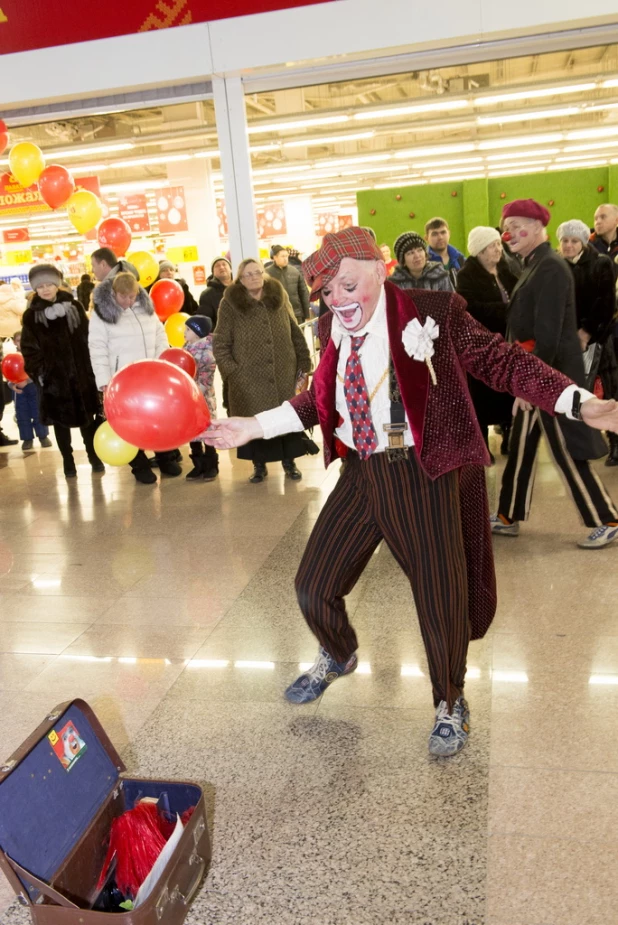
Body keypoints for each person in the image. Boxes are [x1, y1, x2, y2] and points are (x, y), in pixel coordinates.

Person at [205, 226, 618, 756]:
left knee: (439, 593)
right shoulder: (331, 325)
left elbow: (502, 362)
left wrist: (576, 401)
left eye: (348, 284)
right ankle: (339, 653)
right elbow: (318, 400)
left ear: (378, 268)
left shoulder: (434, 312)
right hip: (361, 471)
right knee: (313, 582)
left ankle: (450, 700)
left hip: (422, 471)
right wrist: (250, 427)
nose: (339, 300)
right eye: (328, 292)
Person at [492, 199, 618, 549]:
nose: (509, 231)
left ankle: (606, 518)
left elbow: (547, 334)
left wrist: (529, 386)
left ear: (536, 227)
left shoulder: (549, 267)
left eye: (517, 224)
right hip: (541, 376)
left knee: (566, 450)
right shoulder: (535, 264)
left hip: (553, 380)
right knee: (520, 445)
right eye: (506, 224)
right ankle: (508, 514)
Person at [212, 259, 312, 483]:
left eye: (258, 272)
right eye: (248, 274)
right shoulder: (230, 303)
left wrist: (304, 361)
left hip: (283, 371)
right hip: (247, 378)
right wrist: (232, 371)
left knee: (285, 415)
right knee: (253, 418)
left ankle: (290, 462)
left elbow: (294, 329)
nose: (254, 277)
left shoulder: (278, 295)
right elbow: (220, 342)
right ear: (240, 278)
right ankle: (259, 466)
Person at [89, 271, 182, 483]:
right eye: (124, 297)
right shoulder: (102, 314)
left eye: (132, 296)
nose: (128, 301)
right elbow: (97, 348)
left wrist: (161, 362)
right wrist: (104, 381)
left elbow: (160, 334)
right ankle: (139, 465)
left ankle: (165, 457)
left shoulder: (146, 308)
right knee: (130, 422)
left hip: (151, 375)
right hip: (123, 379)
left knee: (158, 418)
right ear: (114, 293)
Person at [20, 264, 104, 478]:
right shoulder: (31, 316)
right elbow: (29, 349)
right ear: (35, 289)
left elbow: (87, 339)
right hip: (53, 381)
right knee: (60, 424)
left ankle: (94, 456)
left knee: (88, 420)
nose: (45, 289)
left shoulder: (74, 307)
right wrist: (41, 374)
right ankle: (68, 461)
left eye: (49, 284)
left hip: (81, 375)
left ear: (57, 285)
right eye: (40, 286)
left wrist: (92, 370)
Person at [557, 219, 618, 467]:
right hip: (567, 343)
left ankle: (615, 443)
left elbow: (606, 304)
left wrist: (586, 333)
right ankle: (579, 444)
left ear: (583, 242)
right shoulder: (557, 267)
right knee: (574, 394)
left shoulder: (600, 264)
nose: (569, 245)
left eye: (574, 241)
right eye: (565, 241)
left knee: (609, 392)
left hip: (599, 341)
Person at [456, 226, 519, 460]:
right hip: (482, 343)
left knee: (508, 390)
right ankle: (481, 444)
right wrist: (506, 309)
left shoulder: (505, 269)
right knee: (482, 395)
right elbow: (470, 307)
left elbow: (519, 293)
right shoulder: (467, 275)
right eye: (493, 246)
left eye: (498, 245)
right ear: (481, 251)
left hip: (508, 340)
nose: (498, 249)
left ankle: (509, 438)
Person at [183, 314, 219, 482]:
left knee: (207, 429)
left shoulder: (207, 353)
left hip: (203, 399)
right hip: (188, 398)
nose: (184, 332)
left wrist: (194, 391)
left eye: (188, 329)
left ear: (197, 333)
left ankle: (211, 464)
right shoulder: (186, 347)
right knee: (191, 431)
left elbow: (206, 377)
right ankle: (197, 464)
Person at [7, 329, 52, 451]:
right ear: (14, 342)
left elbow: (39, 371)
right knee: (22, 415)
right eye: (18, 340)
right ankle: (27, 439)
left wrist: (27, 380)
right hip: (18, 391)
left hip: (33, 387)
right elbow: (8, 374)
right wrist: (13, 386)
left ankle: (43, 436)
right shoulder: (11, 357)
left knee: (38, 411)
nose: (21, 343)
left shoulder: (34, 355)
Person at [265, 245, 311, 325]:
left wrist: (307, 314)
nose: (285, 258)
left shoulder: (295, 271)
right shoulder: (267, 274)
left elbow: (303, 293)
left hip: (297, 314)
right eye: (282, 256)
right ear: (275, 257)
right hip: (278, 315)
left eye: (286, 256)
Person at [425, 217, 465, 284]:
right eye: (434, 234)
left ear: (449, 234)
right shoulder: (423, 261)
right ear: (426, 238)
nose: (440, 237)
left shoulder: (460, 259)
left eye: (443, 232)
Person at [198, 258, 232, 328]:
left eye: (224, 264)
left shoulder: (241, 288)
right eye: (217, 266)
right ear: (213, 273)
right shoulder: (207, 294)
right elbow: (206, 320)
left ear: (231, 269)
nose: (221, 267)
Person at [590, 203, 618, 272]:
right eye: (595, 218)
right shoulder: (587, 245)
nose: (598, 222)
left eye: (603, 217)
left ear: (616, 220)